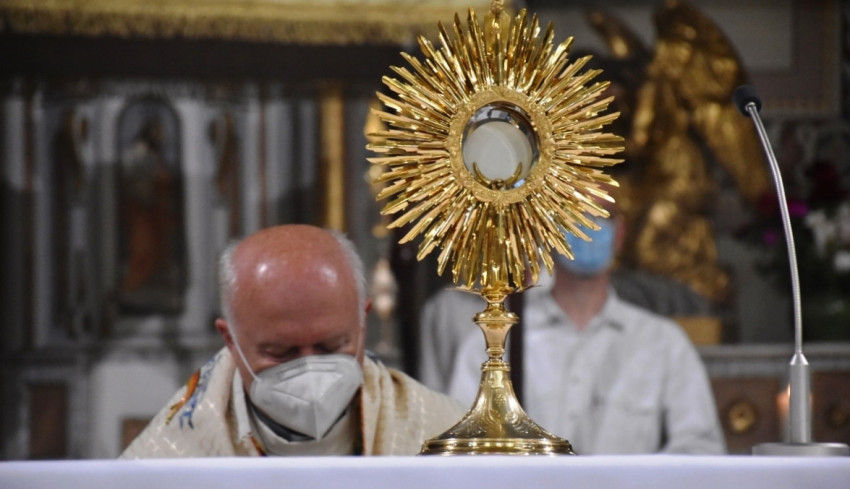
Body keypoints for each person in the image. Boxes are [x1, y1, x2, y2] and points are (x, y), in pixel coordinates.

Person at [121, 224, 465, 458]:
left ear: (362, 323)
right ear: (230, 339)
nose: (309, 369)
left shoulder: (443, 433)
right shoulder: (172, 454)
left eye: (331, 346)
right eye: (281, 352)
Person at [424, 205, 726, 455]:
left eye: (600, 216)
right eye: (574, 214)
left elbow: (701, 450)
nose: (588, 226)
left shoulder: (663, 343)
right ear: (548, 231)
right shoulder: (495, 342)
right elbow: (460, 450)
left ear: (620, 234)